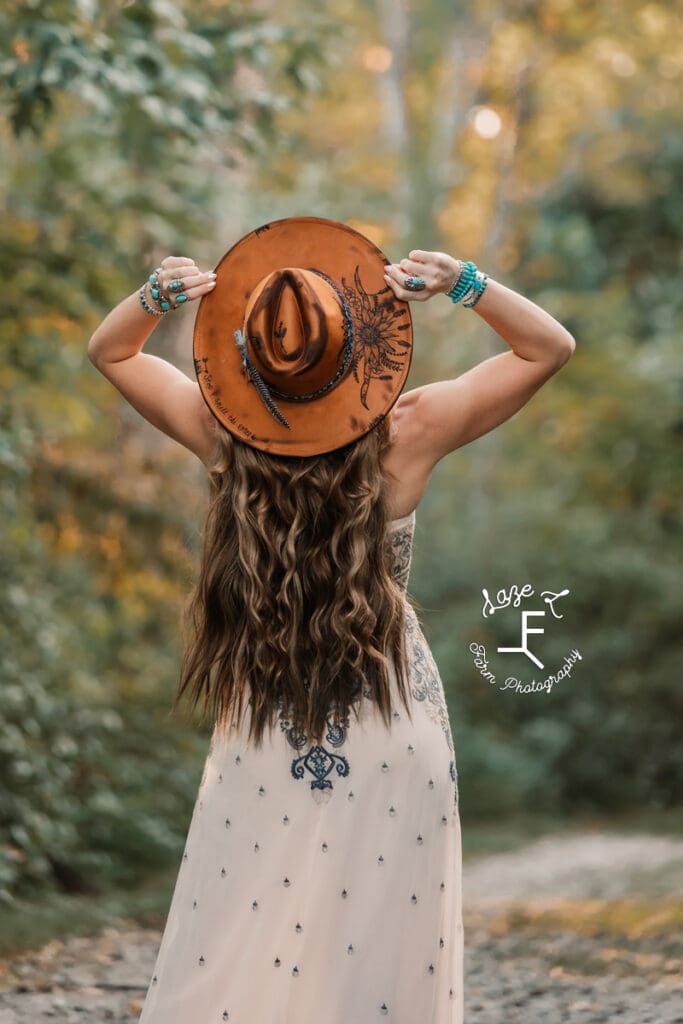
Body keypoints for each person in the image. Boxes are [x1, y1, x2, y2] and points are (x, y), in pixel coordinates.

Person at [87, 216, 575, 1023]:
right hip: (391, 719)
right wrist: (462, 283)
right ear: (353, 355)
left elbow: (111, 352)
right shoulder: (406, 434)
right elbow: (548, 347)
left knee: (248, 942)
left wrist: (156, 296)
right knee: (375, 962)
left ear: (250, 365)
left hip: (264, 725)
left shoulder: (220, 438)